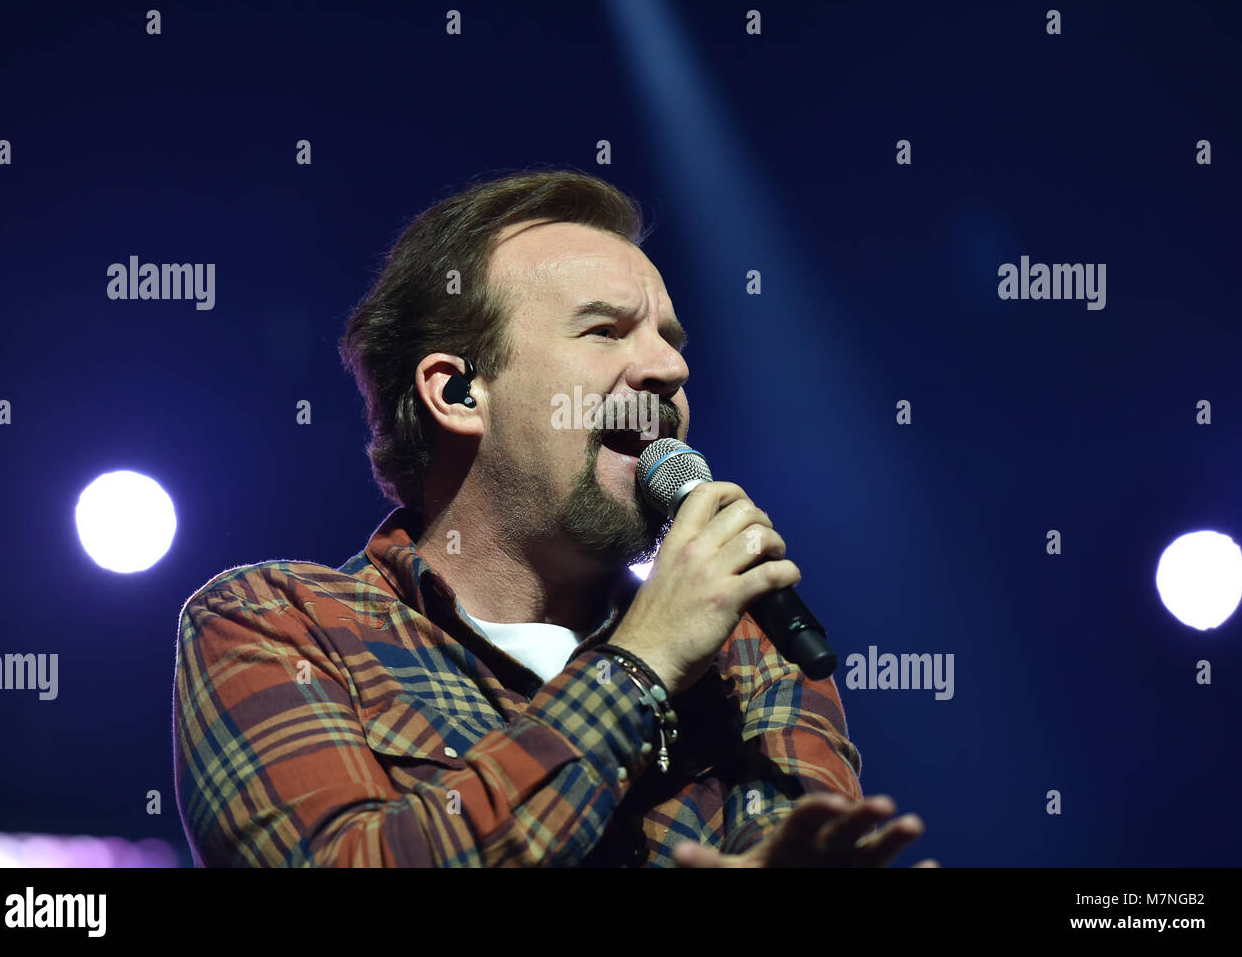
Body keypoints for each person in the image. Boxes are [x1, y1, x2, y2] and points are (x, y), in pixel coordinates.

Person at [172, 168, 935, 868]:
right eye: (605, 330)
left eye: (671, 339)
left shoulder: (745, 652)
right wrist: (640, 667)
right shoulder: (278, 622)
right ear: (460, 392)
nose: (670, 368)